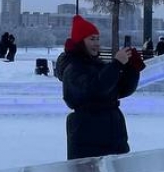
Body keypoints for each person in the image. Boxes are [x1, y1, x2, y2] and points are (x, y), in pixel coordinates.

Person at [55, 15, 144, 160]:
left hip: (113, 135)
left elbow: (120, 90)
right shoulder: (73, 68)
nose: (96, 43)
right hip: (88, 136)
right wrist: (116, 65)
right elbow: (94, 89)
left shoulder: (97, 64)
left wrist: (132, 69)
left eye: (97, 39)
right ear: (80, 42)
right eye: (91, 39)